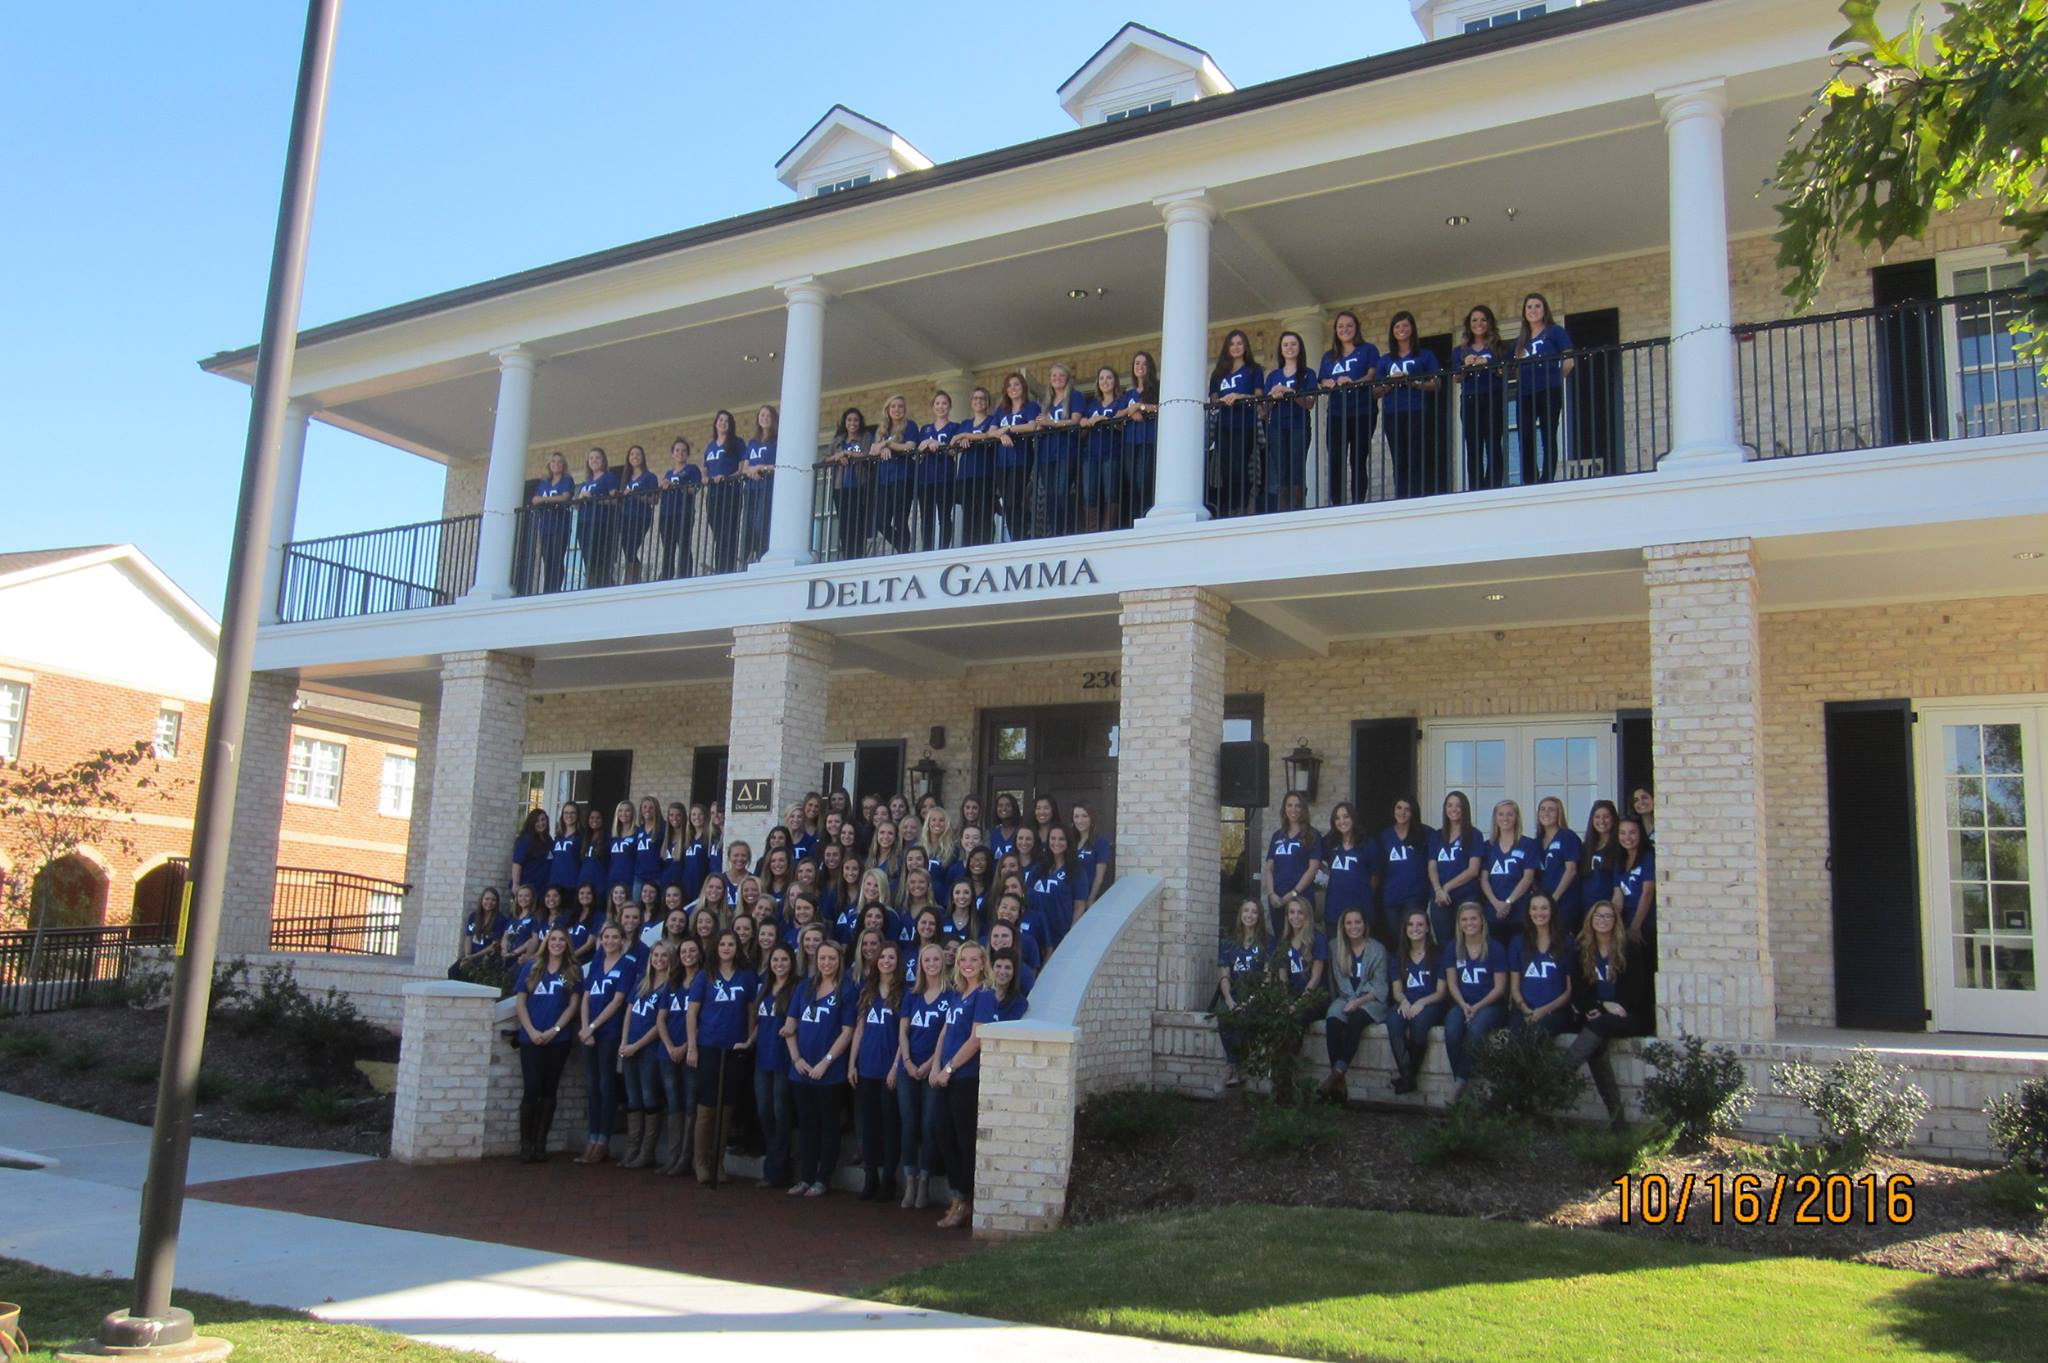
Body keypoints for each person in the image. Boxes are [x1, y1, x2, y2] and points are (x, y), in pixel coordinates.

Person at [930, 942, 998, 1229]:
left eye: (973, 960)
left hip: (965, 1077)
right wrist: (936, 1066)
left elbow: (976, 1039)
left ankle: (963, 1200)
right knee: (942, 1133)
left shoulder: (985, 996)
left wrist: (949, 1068)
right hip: (945, 1077)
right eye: (963, 960)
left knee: (964, 1139)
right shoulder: (958, 995)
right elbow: (944, 1033)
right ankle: (956, 1195)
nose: (968, 964)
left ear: (983, 964)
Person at [783, 938, 857, 1196]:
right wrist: (797, 1060)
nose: (827, 963)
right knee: (806, 1125)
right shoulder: (804, 987)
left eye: (832, 958)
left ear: (840, 961)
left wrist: (826, 1062)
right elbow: (789, 1026)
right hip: (801, 1070)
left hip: (830, 1073)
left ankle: (822, 1179)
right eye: (823, 958)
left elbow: (847, 1032)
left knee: (828, 1125)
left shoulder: (847, 990)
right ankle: (805, 1177)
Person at [1570, 900, 1652, 1126]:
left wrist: (1608, 1008)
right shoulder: (1583, 950)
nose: (1602, 920)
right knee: (1596, 1047)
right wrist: (1599, 1005)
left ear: (1616, 921)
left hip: (1629, 1016)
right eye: (1598, 916)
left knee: (1598, 1027)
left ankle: (1561, 1073)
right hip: (1598, 1016)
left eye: (1608, 916)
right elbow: (1579, 993)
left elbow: (1635, 993)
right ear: (1590, 920)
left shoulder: (1629, 949)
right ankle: (1618, 1121)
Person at [686, 929, 757, 1185]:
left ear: (737, 948)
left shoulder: (747, 976)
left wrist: (748, 1041)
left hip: (735, 1049)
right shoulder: (704, 976)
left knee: (727, 1107)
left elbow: (751, 1012)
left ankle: (717, 1162)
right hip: (708, 1047)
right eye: (723, 944)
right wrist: (692, 1046)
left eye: (731, 944)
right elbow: (692, 1013)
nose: (726, 948)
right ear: (716, 948)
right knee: (707, 1107)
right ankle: (700, 1162)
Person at [513, 927, 581, 1162]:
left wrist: (555, 1030)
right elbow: (520, 1003)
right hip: (531, 1038)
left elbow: (573, 1005)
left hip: (558, 1040)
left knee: (549, 1090)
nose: (557, 943)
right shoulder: (532, 968)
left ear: (567, 944)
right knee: (531, 1089)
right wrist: (531, 1031)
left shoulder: (572, 971)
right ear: (547, 942)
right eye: (553, 939)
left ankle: (540, 1143)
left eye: (562, 940)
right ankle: (526, 1144)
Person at [574, 921, 638, 1165]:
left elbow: (617, 1001)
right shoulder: (597, 963)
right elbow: (586, 998)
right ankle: (592, 1138)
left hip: (609, 1032)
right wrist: (585, 1028)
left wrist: (593, 1026)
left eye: (614, 937)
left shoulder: (628, 964)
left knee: (606, 1084)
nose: (610, 941)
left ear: (622, 940)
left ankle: (603, 1140)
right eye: (606, 937)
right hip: (589, 1034)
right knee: (592, 1086)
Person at [851, 943, 906, 1203]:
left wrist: (896, 1067)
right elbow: (859, 1029)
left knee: (890, 1125)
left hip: (889, 1069)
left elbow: (904, 1035)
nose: (886, 961)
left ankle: (888, 1179)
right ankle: (870, 1175)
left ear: (898, 961)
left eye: (891, 957)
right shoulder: (868, 990)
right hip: (867, 1067)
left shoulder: (905, 992)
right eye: (882, 957)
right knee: (869, 1125)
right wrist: (852, 1063)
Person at [898, 942, 950, 1209]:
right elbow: (903, 1032)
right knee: (909, 1124)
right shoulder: (912, 995)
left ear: (943, 962)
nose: (931, 964)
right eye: (926, 960)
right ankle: (910, 1181)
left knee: (929, 1124)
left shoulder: (951, 995)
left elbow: (946, 1034)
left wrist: (930, 1065)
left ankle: (925, 1182)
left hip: (933, 1069)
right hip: (908, 1068)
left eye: (935, 959)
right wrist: (907, 1062)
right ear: (920, 964)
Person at [617, 940, 677, 1170]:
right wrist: (625, 1042)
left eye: (664, 956)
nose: (659, 960)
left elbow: (659, 1024)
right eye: (656, 955)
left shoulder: (670, 986)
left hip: (650, 1049)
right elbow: (629, 1013)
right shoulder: (642, 981)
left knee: (648, 1095)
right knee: (632, 1098)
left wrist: (637, 1045)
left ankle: (646, 1151)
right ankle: (632, 1148)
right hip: (630, 1046)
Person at [1320, 907, 1387, 1101]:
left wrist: (1359, 1001)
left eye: (1358, 922)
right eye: (1349, 923)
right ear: (1342, 926)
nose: (1353, 927)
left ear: (1365, 925)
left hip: (1371, 1000)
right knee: (1333, 1019)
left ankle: (1336, 1073)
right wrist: (1346, 1001)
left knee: (1356, 1020)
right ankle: (1338, 1081)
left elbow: (1380, 987)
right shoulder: (1335, 947)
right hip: (1345, 998)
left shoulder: (1377, 949)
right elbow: (1334, 981)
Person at [1442, 903, 1508, 1096]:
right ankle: (1459, 1081)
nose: (1469, 923)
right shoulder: (1453, 948)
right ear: (1459, 923)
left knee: (1476, 1029)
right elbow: (1452, 983)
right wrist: (1463, 1005)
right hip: (1463, 1004)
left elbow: (1500, 988)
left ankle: (1459, 1084)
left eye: (1473, 918)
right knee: (1451, 1029)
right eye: (1464, 919)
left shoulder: (1495, 947)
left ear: (1482, 921)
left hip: (1491, 1005)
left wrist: (1477, 1007)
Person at [1319, 311, 1380, 506]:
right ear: (1335, 330)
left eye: (1349, 325)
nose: (1345, 329)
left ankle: (1357, 503)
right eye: (1340, 326)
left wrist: (1353, 382)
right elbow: (1322, 380)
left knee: (1358, 459)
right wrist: (1327, 383)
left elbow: (1372, 374)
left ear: (1356, 328)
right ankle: (1337, 505)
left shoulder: (1368, 349)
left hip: (1363, 410)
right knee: (1336, 459)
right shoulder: (1329, 357)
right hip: (1337, 413)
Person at [1378, 312, 1441, 499]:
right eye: (1397, 326)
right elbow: (1375, 391)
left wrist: (1413, 383)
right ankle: (1402, 497)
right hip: (1392, 412)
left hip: (1416, 409)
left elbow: (1437, 383)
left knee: (1417, 455)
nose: (1401, 330)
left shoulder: (1425, 355)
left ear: (1412, 328)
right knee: (1399, 457)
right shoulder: (1385, 360)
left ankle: (1417, 495)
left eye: (1405, 325)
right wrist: (1391, 383)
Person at [1514, 293, 1574, 484]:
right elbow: (1507, 365)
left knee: (1548, 435)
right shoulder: (1521, 340)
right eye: (1529, 307)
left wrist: (1555, 378)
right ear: (1524, 312)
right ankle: (1529, 480)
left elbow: (1569, 360)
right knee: (1525, 437)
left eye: (1537, 306)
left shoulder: (1555, 331)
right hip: (1525, 393)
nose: (1533, 310)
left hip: (1549, 391)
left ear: (1545, 309)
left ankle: (1546, 478)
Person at [752, 943, 798, 1188]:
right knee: (764, 1112)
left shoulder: (797, 987)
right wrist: (748, 1041)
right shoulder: (765, 985)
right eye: (775, 960)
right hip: (763, 1058)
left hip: (784, 1059)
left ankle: (776, 1169)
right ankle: (776, 1160)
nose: (779, 964)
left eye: (784, 960)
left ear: (792, 962)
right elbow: (760, 1021)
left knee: (781, 1114)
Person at [1385, 909, 1445, 1094]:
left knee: (1419, 1023)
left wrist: (1422, 1003)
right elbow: (1397, 991)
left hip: (1431, 1003)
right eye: (1410, 924)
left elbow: (1441, 992)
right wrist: (1404, 1002)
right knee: (1393, 1020)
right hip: (1407, 1001)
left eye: (1420, 924)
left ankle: (1407, 1078)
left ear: (1427, 928)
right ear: (1405, 928)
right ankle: (1408, 1077)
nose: (1415, 928)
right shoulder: (1398, 955)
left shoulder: (1438, 954)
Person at [1452, 304, 1507, 491]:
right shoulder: (1460, 351)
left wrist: (1488, 362)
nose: (1479, 324)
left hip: (1493, 397)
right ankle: (1476, 488)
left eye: (1483, 320)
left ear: (1489, 323)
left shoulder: (1499, 347)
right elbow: (1456, 378)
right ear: (1469, 324)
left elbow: (1506, 371)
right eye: (1474, 320)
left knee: (1493, 442)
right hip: (1470, 399)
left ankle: (1493, 485)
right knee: (1473, 446)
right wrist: (1465, 366)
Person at [1208, 329, 1262, 517]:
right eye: (1232, 344)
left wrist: (1239, 396)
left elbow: (1259, 397)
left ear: (1245, 346)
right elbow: (1213, 400)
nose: (1236, 347)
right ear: (1227, 347)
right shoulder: (1218, 374)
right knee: (1225, 468)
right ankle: (1228, 508)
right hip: (1223, 426)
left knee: (1240, 466)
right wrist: (1222, 400)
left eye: (1239, 343)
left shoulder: (1254, 370)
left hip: (1245, 424)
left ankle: (1242, 507)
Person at [1263, 330, 1318, 513]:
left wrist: (1290, 392)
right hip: (1276, 427)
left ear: (1300, 348)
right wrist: (1272, 397)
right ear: (1281, 349)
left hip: (1299, 426)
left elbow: (1310, 403)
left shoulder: (1308, 374)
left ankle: (1297, 510)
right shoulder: (1273, 376)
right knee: (1281, 472)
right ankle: (1284, 512)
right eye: (1285, 345)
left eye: (1293, 344)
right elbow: (1263, 409)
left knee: (1296, 469)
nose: (1289, 348)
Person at [1510, 893, 1575, 1036]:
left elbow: (1570, 990)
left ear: (1552, 911)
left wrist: (1544, 1010)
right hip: (1525, 1009)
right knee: (1515, 1039)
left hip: (1556, 1011)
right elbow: (1514, 987)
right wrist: (1525, 1009)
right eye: (1534, 908)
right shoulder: (1518, 942)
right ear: (1528, 912)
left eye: (1544, 908)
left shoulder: (1567, 942)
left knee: (1536, 1034)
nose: (1539, 913)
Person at [1480, 799, 1540, 947]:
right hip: (1493, 912)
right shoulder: (1488, 846)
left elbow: (1528, 878)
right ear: (1495, 818)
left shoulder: (1528, 844)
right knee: (1496, 952)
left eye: (1510, 814)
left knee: (1519, 951)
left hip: (1519, 911)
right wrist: (1496, 903)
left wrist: (1508, 902)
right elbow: (1484, 880)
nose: (1505, 818)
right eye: (1500, 814)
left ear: (1516, 817)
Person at [1376, 796, 1432, 949]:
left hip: (1415, 895)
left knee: (1414, 936)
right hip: (1391, 896)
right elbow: (1379, 867)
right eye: (1399, 808)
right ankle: (1401, 964)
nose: (1402, 812)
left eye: (1407, 809)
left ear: (1413, 812)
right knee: (1397, 939)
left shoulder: (1425, 834)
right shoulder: (1384, 836)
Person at [1427, 792, 1482, 946]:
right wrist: (1438, 890)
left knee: (1467, 940)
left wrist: (1446, 887)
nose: (1454, 809)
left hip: (1466, 896)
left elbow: (1473, 870)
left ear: (1465, 809)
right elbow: (1432, 865)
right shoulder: (1436, 836)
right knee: (1444, 942)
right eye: (1449, 805)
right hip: (1440, 898)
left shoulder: (1474, 835)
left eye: (1458, 806)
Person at [1263, 791, 1321, 936]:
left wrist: (1293, 894)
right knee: (1281, 941)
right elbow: (1269, 868)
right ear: (1284, 808)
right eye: (1289, 805)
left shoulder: (1312, 835)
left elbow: (1313, 869)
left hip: (1302, 899)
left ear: (1303, 809)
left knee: (1302, 941)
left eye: (1297, 806)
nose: (1293, 809)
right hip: (1277, 900)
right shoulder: (1277, 836)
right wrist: (1271, 894)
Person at [1077, 365, 1127, 532]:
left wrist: (1104, 419)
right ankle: (1092, 529)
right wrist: (1084, 422)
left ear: (1115, 381)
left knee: (1110, 491)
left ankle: (1108, 528)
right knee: (1089, 492)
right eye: (1102, 378)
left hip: (1112, 452)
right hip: (1090, 454)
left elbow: (1122, 425)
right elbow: (1082, 430)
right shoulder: (1091, 405)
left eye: (1109, 378)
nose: (1105, 381)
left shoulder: (1120, 402)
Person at [913, 392, 962, 550]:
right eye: (938, 403)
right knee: (926, 517)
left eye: (944, 403)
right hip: (925, 478)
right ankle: (927, 549)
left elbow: (954, 451)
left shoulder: (955, 427)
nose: (941, 407)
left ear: (950, 406)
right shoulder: (925, 429)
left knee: (944, 515)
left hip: (945, 476)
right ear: (933, 407)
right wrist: (925, 444)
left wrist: (937, 444)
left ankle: (943, 548)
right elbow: (918, 452)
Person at [871, 395, 920, 553]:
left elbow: (910, 446)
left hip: (903, 476)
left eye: (900, 406)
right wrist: (883, 447)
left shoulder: (909, 426)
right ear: (887, 409)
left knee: (900, 519)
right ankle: (903, 549)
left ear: (905, 410)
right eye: (893, 406)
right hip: (884, 479)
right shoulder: (882, 430)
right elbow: (873, 451)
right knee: (880, 521)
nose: (897, 409)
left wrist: (887, 444)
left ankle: (903, 552)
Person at [825, 407, 874, 561]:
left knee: (858, 520)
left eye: (856, 420)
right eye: (849, 420)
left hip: (860, 485)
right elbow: (825, 459)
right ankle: (847, 555)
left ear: (860, 422)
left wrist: (850, 454)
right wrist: (838, 456)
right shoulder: (838, 440)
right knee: (844, 521)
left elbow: (869, 454)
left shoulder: (866, 437)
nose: (853, 423)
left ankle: (858, 554)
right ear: (845, 422)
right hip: (840, 486)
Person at [1533, 796, 1585, 936]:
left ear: (1559, 813)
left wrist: (1554, 898)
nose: (1546, 813)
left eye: (1551, 810)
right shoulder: (1536, 842)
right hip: (1544, 905)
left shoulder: (1567, 836)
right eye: (1543, 809)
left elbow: (1571, 870)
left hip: (1565, 902)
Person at [702, 410, 747, 573]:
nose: (723, 423)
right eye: (720, 420)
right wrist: (705, 478)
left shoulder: (737, 443)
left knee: (729, 531)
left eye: (727, 421)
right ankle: (720, 567)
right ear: (715, 423)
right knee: (718, 533)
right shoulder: (710, 446)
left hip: (731, 492)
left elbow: (742, 468)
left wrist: (727, 477)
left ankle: (727, 568)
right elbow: (705, 469)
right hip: (714, 494)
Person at [528, 452, 577, 593]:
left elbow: (564, 497)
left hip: (560, 525)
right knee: (547, 558)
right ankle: (547, 588)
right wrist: (542, 500)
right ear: (549, 465)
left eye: (560, 462)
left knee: (557, 557)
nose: (556, 464)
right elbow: (535, 499)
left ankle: (555, 588)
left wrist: (544, 500)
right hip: (545, 526)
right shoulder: (544, 483)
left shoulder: (567, 480)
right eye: (553, 461)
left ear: (564, 465)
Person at [573, 447, 621, 588]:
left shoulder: (608, 477)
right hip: (584, 523)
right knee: (587, 556)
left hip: (601, 522)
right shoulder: (585, 483)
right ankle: (591, 582)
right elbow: (575, 506)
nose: (594, 460)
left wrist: (594, 498)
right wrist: (580, 497)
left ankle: (602, 583)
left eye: (597, 457)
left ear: (603, 460)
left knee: (599, 555)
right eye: (591, 458)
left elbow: (615, 500)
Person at [1322, 801, 1371, 937]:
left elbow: (1375, 875)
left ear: (1353, 818)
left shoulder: (1367, 843)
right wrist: (1328, 872)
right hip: (1334, 908)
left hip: (1360, 908)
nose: (1342, 821)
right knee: (1334, 947)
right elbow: (1315, 860)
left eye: (1346, 816)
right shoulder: (1329, 842)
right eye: (1337, 818)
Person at [1121, 352, 1159, 526]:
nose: (1140, 367)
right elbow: (1117, 413)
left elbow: (1161, 406)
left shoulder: (1156, 388)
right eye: (1137, 363)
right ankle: (1134, 519)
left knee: (1142, 481)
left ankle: (1145, 517)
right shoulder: (1128, 393)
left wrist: (1140, 406)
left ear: (1149, 367)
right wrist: (1131, 411)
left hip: (1148, 440)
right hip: (1130, 441)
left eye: (1144, 363)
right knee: (1131, 483)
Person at [1030, 826, 1084, 949]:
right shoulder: (1039, 868)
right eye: (1053, 838)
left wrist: (1071, 934)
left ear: (1068, 842)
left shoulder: (1076, 871)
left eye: (1061, 839)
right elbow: (1027, 894)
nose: (1056, 842)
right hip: (1037, 931)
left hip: (1061, 933)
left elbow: (1079, 906)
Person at [657, 437, 701, 580]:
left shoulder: (692, 469)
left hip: (683, 513)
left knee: (683, 545)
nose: (680, 453)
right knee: (667, 547)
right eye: (677, 450)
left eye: (683, 451)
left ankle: (684, 575)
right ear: (672, 454)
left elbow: (694, 489)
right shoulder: (668, 474)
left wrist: (676, 485)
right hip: (666, 514)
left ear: (687, 454)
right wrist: (663, 486)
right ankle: (667, 576)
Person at [1613, 814, 1657, 952]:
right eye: (1622, 833)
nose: (1627, 837)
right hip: (1626, 924)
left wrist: (1635, 927)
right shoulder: (1620, 860)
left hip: (1646, 924)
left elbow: (1648, 892)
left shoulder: (1648, 857)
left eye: (1632, 832)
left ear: (1640, 834)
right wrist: (1613, 924)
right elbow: (1618, 897)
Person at [1274, 899, 1328, 1007]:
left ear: (1307, 915)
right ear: (1287, 916)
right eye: (1292, 912)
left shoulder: (1317, 938)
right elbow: (1283, 976)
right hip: (1292, 997)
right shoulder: (1284, 941)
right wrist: (1286, 1001)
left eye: (1300, 912)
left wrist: (1298, 1005)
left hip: (1313, 998)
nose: (1296, 916)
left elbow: (1316, 978)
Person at [740, 405, 777, 564]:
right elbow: (744, 468)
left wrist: (761, 467)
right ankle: (750, 557)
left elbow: (778, 465)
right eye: (762, 415)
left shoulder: (776, 441)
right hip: (751, 488)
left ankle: (762, 554)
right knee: (749, 524)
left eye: (768, 415)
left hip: (767, 487)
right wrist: (752, 471)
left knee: (760, 523)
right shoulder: (752, 443)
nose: (765, 418)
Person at [617, 444, 658, 583]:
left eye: (638, 454)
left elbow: (654, 500)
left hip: (641, 516)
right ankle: (633, 576)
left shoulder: (649, 477)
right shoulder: (625, 478)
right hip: (625, 516)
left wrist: (636, 495)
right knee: (626, 547)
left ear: (643, 457)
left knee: (631, 546)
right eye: (632, 454)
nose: (635, 457)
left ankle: (632, 577)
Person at [1580, 799, 1621, 926]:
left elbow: (1619, 887)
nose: (1602, 821)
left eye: (1606, 817)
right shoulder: (1586, 847)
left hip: (1607, 910)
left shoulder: (1619, 847)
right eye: (1597, 817)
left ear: (1613, 819)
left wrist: (1613, 913)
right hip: (1586, 909)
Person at [1069, 802, 1111, 918]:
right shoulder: (1070, 841)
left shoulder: (1100, 842)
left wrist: (1091, 899)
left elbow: (1099, 876)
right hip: (1068, 896)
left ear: (1092, 818)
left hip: (1086, 898)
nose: (1080, 820)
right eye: (1076, 816)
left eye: (1084, 816)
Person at [454, 887, 504, 978]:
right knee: (453, 971)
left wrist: (474, 957)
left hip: (486, 957)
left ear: (497, 903)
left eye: (493, 900)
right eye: (487, 899)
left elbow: (495, 945)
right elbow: (468, 936)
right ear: (482, 900)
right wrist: (468, 955)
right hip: (471, 955)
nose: (489, 902)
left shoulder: (500, 920)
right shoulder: (473, 916)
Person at [513, 808, 552, 896]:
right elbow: (517, 863)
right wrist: (516, 884)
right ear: (532, 823)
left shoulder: (549, 840)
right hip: (527, 887)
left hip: (543, 888)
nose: (541, 823)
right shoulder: (525, 839)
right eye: (537, 821)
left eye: (543, 819)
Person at [547, 800, 584, 895]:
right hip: (554, 885)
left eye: (573, 813)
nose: (569, 815)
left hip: (572, 885)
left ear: (577, 815)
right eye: (566, 813)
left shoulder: (582, 837)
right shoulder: (558, 837)